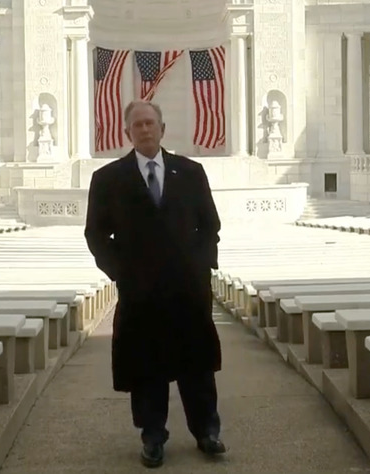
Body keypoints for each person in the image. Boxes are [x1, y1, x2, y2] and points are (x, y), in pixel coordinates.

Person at [84, 100, 226, 468]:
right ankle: (152, 436)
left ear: (162, 129)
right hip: (141, 292)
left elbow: (210, 225)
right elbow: (96, 234)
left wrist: (201, 266)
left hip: (188, 289)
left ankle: (207, 432)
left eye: (150, 123)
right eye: (137, 125)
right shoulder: (108, 179)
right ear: (127, 132)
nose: (145, 130)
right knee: (147, 368)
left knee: (197, 366)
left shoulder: (191, 172)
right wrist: (121, 272)